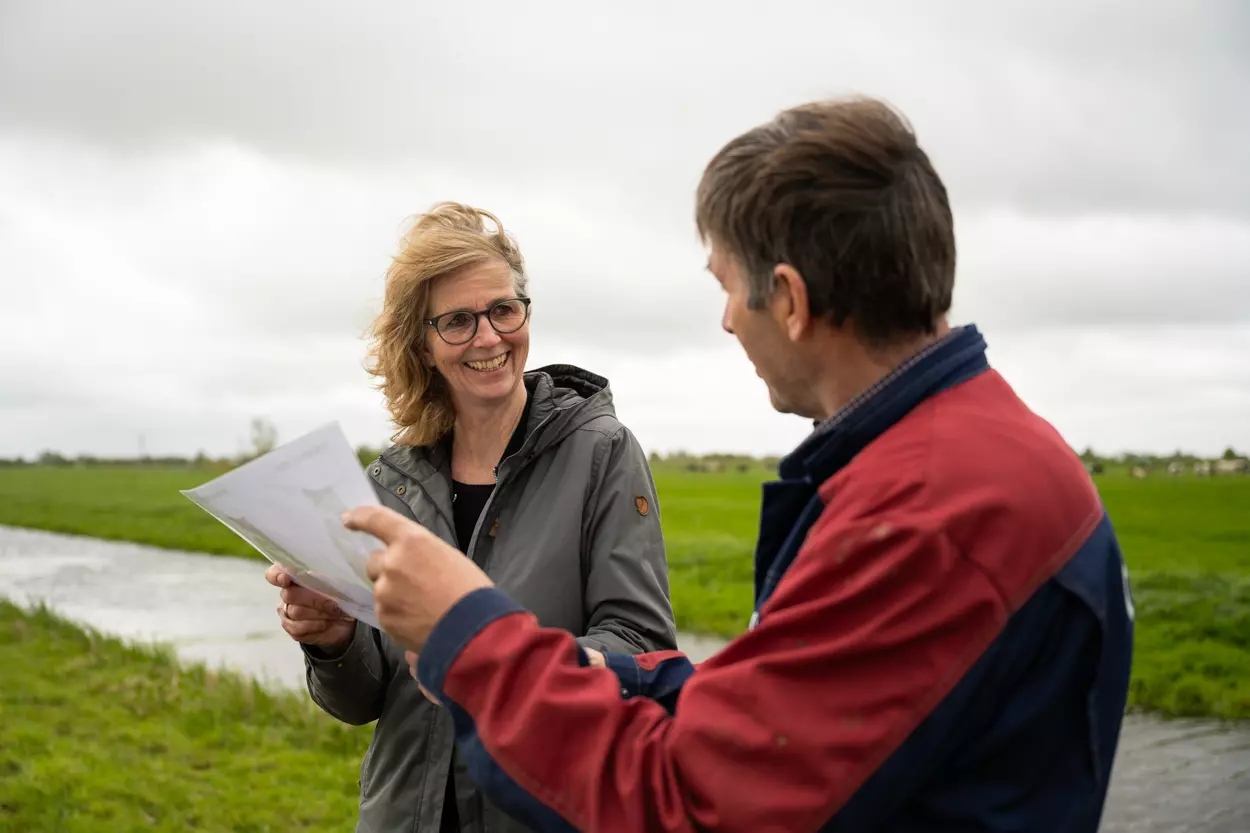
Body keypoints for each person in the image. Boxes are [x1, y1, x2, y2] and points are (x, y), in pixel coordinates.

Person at [345, 98, 1135, 833]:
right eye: (456, 321)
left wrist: (474, 640)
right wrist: (612, 673)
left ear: (788, 298)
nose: (725, 321)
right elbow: (783, 714)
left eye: (726, 287)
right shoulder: (967, 454)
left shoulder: (928, 513)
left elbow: (696, 803)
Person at [265, 201, 678, 833]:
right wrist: (333, 640)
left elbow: (640, 652)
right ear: (422, 343)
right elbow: (366, 700)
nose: (489, 338)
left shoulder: (601, 454)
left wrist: (488, 662)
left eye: (503, 310)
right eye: (458, 321)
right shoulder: (390, 482)